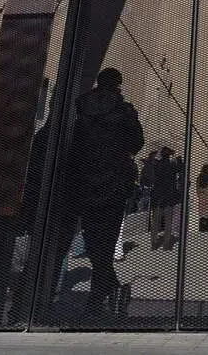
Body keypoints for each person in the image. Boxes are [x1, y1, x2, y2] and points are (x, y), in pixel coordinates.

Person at [67, 68, 144, 315]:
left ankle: (105, 287)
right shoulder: (123, 111)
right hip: (113, 182)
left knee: (93, 239)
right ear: (117, 85)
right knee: (107, 240)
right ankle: (100, 292)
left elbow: (74, 145)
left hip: (86, 181)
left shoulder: (81, 111)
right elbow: (137, 142)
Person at [150, 147, 183, 250]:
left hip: (158, 197)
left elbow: (153, 163)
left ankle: (154, 243)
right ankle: (166, 244)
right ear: (169, 155)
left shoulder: (157, 165)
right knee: (168, 222)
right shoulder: (171, 165)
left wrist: (158, 157)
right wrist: (178, 158)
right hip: (168, 197)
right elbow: (180, 168)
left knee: (156, 221)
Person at [195, 164, 208, 232]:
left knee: (202, 215)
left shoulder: (199, 177)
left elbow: (197, 188)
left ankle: (201, 230)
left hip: (201, 196)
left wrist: (200, 194)